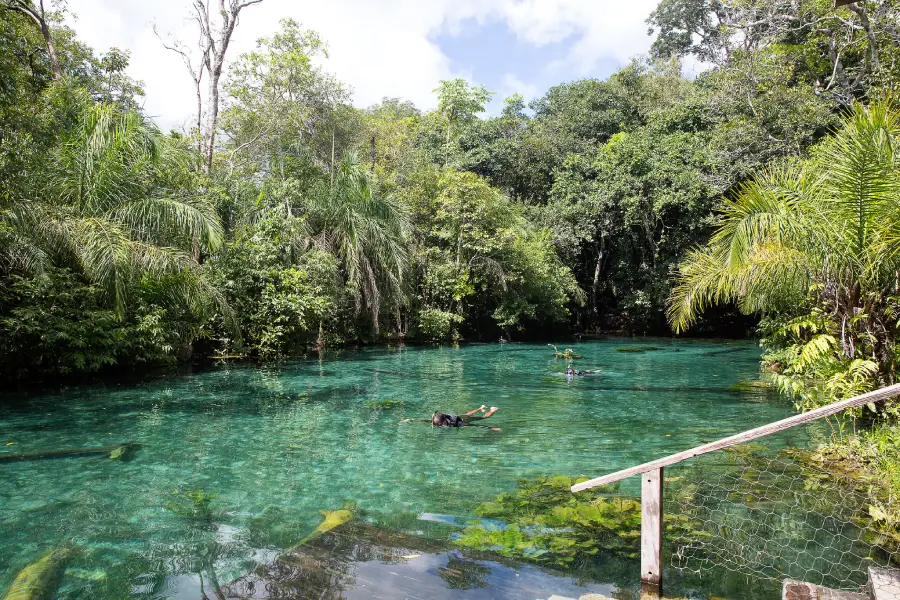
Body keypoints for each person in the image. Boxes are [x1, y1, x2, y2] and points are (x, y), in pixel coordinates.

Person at [401, 405, 501, 431]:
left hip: (463, 420)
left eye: (436, 424)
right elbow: (426, 420)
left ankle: (493, 409)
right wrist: (410, 420)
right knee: (468, 414)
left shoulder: (459, 424)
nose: (434, 424)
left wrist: (491, 428)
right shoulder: (441, 419)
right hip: (461, 417)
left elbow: (476, 426)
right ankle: (481, 407)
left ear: (441, 422)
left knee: (483, 417)